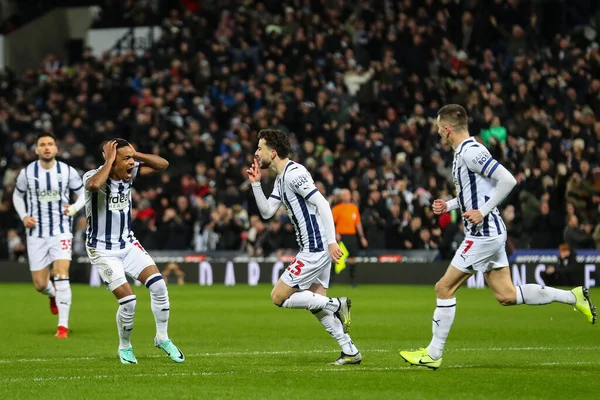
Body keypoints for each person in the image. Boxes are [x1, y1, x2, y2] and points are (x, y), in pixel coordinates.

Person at [400, 105, 596, 370]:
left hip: (485, 234)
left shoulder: (472, 151)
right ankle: (574, 297)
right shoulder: (463, 153)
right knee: (506, 295)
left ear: (447, 129)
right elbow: (478, 192)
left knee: (443, 288)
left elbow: (508, 180)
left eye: (438, 128)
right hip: (489, 232)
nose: (437, 133)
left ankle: (433, 354)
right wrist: (449, 205)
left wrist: (482, 210)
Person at [248, 129, 362, 365]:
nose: (257, 153)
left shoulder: (294, 173)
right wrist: (256, 185)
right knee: (316, 303)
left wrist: (331, 241)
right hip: (314, 247)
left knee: (278, 296)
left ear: (273, 152)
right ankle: (350, 350)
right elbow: (268, 212)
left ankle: (337, 304)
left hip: (316, 248)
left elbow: (322, 202)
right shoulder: (281, 179)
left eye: (260, 148)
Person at [83, 139, 184, 364]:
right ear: (110, 160)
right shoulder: (93, 176)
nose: (131, 163)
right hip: (102, 250)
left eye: (132, 159)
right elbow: (92, 186)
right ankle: (125, 347)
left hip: (127, 244)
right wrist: (110, 160)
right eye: (126, 159)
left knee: (159, 285)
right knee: (128, 301)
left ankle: (162, 337)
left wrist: (135, 154)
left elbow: (162, 164)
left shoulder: (131, 171)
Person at [12, 133, 86, 339]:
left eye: (50, 144)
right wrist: (24, 216)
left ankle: (62, 326)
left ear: (56, 149)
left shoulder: (67, 171)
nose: (46, 147)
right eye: (42, 145)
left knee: (61, 274)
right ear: (36, 150)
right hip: (35, 233)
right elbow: (17, 195)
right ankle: (52, 294)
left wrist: (73, 208)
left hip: (61, 231)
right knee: (39, 285)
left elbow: (83, 193)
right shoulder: (27, 173)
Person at [331, 189, 368, 287]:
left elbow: (358, 223)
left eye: (348, 194)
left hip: (352, 235)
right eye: (345, 195)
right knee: (336, 258)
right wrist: (335, 233)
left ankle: (352, 281)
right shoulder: (337, 208)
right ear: (342, 197)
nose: (347, 196)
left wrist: (362, 237)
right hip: (341, 236)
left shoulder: (354, 208)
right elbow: (332, 223)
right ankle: (331, 281)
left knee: (353, 258)